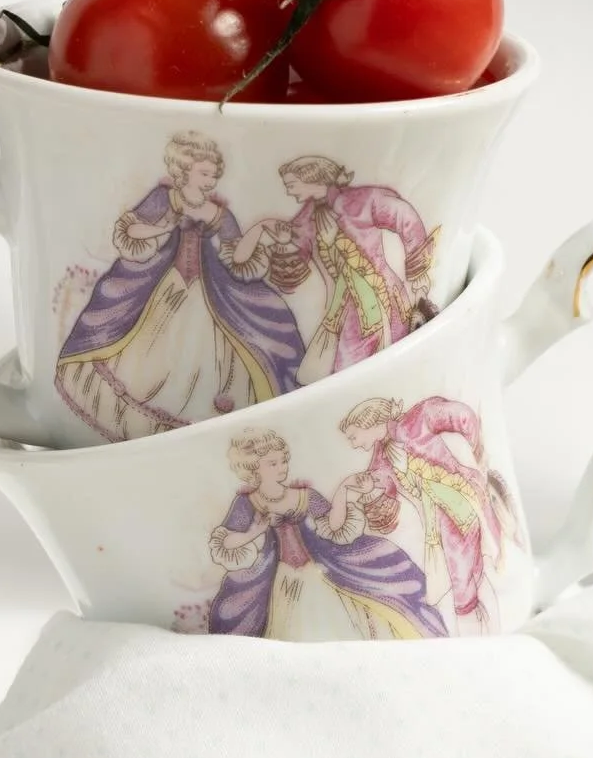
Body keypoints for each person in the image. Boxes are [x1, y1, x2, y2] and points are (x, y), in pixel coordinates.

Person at [56, 133, 304, 441]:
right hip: (163, 284)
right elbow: (129, 228)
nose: (211, 179)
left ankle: (194, 432)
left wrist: (260, 228)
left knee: (199, 354)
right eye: (205, 172)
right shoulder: (164, 198)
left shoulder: (218, 213)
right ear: (184, 170)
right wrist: (162, 226)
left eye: (214, 173)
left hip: (205, 290)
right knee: (149, 351)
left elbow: (237, 258)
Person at [207, 429, 446, 640]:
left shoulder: (304, 496)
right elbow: (226, 543)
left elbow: (333, 526)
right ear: (253, 468)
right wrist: (255, 532)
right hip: (281, 578)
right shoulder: (248, 503)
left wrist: (343, 490)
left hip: (317, 570)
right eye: (273, 463)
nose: (282, 468)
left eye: (283, 461)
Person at [337, 395, 517, 634]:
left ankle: (479, 641)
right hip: (439, 520)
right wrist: (362, 492)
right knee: (466, 579)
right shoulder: (381, 459)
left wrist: (476, 452)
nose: (354, 444)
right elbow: (383, 493)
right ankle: (489, 634)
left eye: (353, 436)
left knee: (466, 581)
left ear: (368, 422)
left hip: (461, 501)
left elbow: (462, 415)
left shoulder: (417, 419)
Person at [251, 155, 439, 382]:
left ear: (312, 179)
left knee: (387, 363)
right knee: (346, 368)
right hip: (342, 306)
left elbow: (404, 216)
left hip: (380, 293)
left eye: (292, 185)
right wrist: (281, 242)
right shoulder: (307, 217)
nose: (290, 193)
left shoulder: (361, 200)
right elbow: (297, 256)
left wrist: (418, 272)